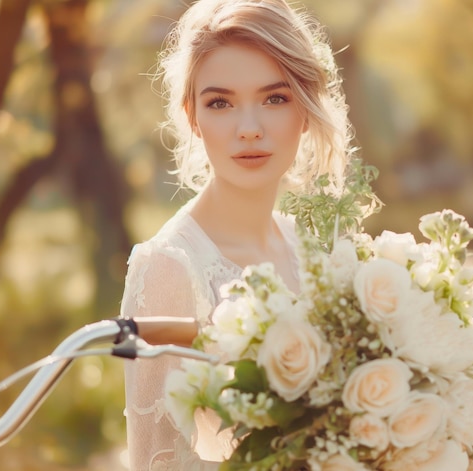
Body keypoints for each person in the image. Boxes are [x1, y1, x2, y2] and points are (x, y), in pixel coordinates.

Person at [119, 0, 355, 469]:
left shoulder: (311, 251)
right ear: (192, 117)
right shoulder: (162, 269)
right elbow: (152, 456)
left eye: (275, 98)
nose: (249, 129)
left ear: (305, 110)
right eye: (220, 103)